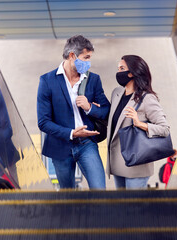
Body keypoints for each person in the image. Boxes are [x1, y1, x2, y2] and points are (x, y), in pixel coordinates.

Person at [37, 35, 110, 189]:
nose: (88, 63)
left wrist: (89, 107)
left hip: (87, 145)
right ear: (72, 56)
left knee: (99, 190)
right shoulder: (47, 81)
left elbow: (106, 111)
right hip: (60, 145)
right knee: (67, 194)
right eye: (86, 57)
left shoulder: (93, 79)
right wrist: (72, 133)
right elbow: (43, 122)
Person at [107, 55, 170, 189]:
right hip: (118, 162)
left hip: (137, 165)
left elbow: (164, 129)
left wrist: (140, 123)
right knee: (122, 207)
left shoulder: (147, 98)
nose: (119, 72)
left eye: (122, 68)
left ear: (133, 73)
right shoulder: (116, 93)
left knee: (134, 208)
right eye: (118, 68)